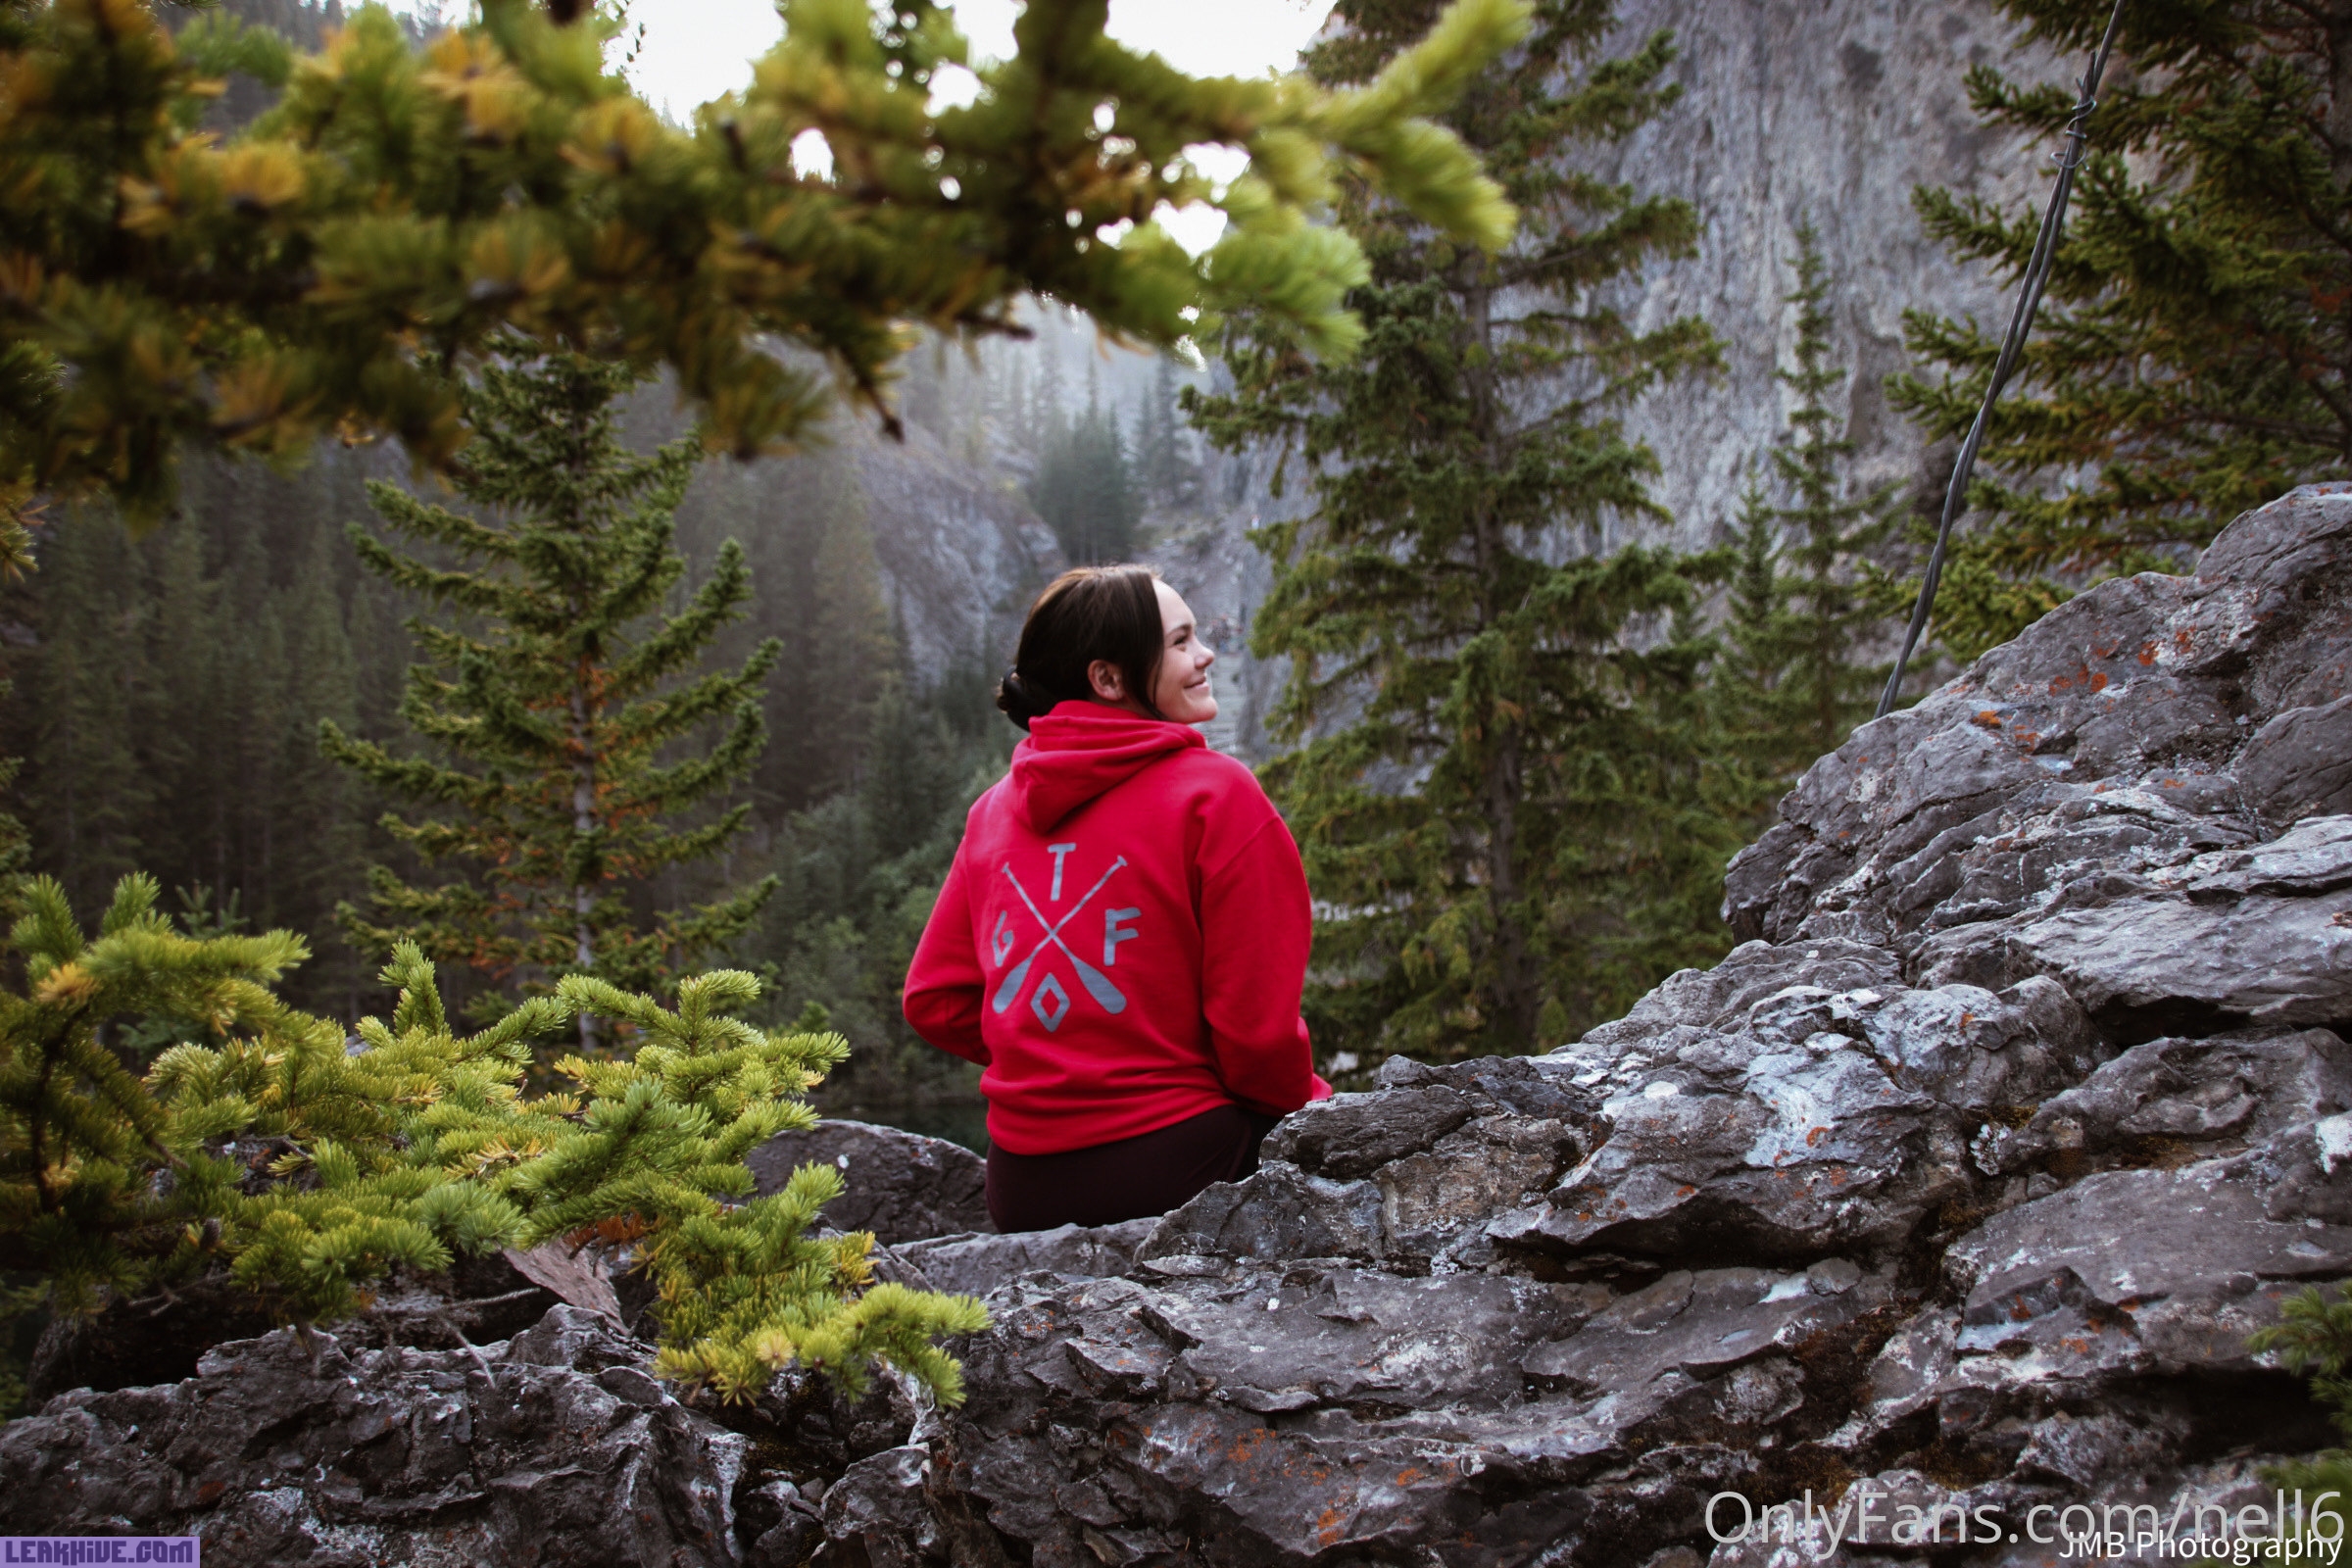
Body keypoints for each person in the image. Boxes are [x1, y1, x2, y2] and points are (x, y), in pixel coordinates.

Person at [902, 564, 1330, 1232]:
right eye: (1181, 641)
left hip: (1020, 1186)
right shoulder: (1216, 796)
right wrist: (1316, 1113)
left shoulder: (992, 811)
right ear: (1108, 679)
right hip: (1179, 1166)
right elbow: (1258, 1035)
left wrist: (1059, 1056)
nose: (1206, 654)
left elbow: (934, 1000)